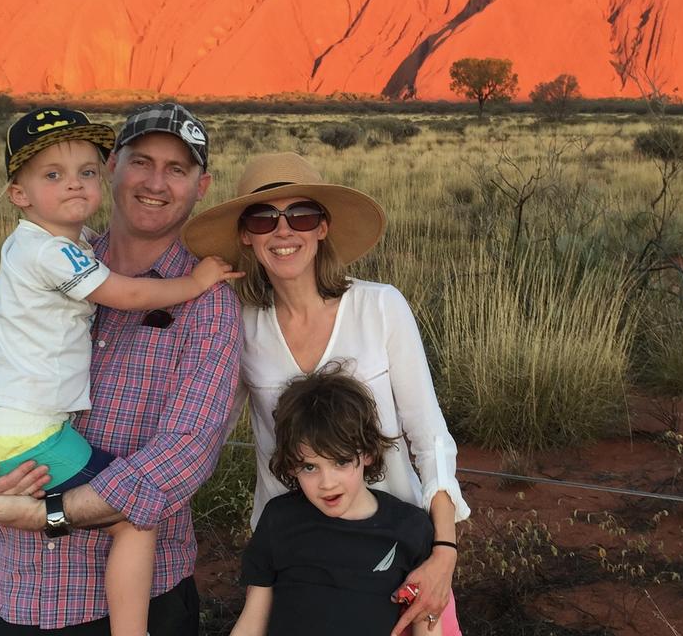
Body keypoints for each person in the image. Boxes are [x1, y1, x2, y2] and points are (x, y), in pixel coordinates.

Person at [0, 108, 240, 636]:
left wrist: (45, 512)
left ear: (201, 186)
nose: (156, 182)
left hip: (120, 605)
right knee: (130, 522)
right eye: (141, 162)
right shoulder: (54, 262)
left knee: (135, 520)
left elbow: (185, 452)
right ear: (113, 167)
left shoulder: (210, 306)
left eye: (177, 169)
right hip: (12, 592)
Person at [183, 152, 470, 636]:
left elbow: (430, 436)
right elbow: (204, 429)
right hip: (295, 554)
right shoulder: (240, 324)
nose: (283, 231)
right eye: (263, 218)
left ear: (322, 228)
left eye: (301, 215)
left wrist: (443, 551)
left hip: (396, 546)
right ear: (246, 236)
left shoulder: (379, 306)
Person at [231, 365, 434, 636]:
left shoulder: (409, 527)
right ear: (291, 465)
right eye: (310, 467)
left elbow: (428, 624)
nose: (327, 483)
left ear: (368, 453)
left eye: (341, 461)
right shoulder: (279, 520)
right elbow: (252, 621)